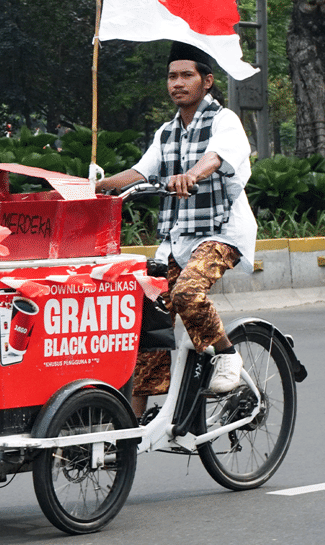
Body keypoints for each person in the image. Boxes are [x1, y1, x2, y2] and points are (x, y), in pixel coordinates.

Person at [96, 42, 258, 417]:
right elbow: (140, 172)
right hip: (176, 237)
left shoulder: (224, 121)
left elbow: (217, 157)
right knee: (149, 323)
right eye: (172, 76)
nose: (178, 83)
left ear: (207, 81)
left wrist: (191, 175)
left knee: (186, 293)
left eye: (187, 75)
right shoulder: (167, 132)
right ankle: (130, 429)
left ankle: (227, 355)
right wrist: (98, 187)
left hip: (220, 232)